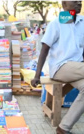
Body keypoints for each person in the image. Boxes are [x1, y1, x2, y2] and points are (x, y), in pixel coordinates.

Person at [31, 1, 83, 134]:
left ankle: (63, 128)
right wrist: (37, 75)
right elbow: (44, 49)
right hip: (60, 68)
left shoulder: (82, 22)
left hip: (78, 68)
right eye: (74, 0)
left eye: (79, 0)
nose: (78, 2)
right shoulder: (56, 24)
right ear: (64, 5)